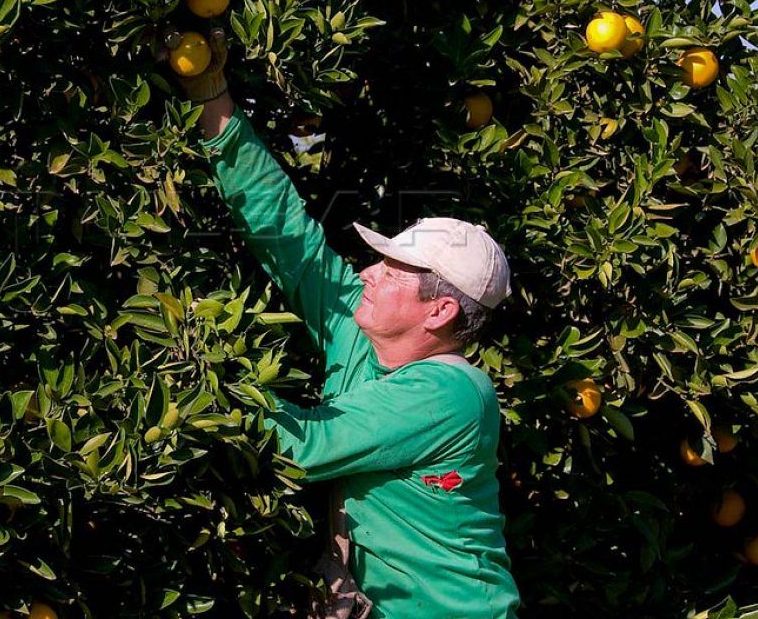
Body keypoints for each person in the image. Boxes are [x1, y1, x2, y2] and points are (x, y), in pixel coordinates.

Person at [170, 31, 521, 619]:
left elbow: (306, 444)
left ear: (440, 311)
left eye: (393, 270)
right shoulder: (362, 335)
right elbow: (288, 236)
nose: (367, 274)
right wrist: (212, 99)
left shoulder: (453, 393)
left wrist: (186, 384)